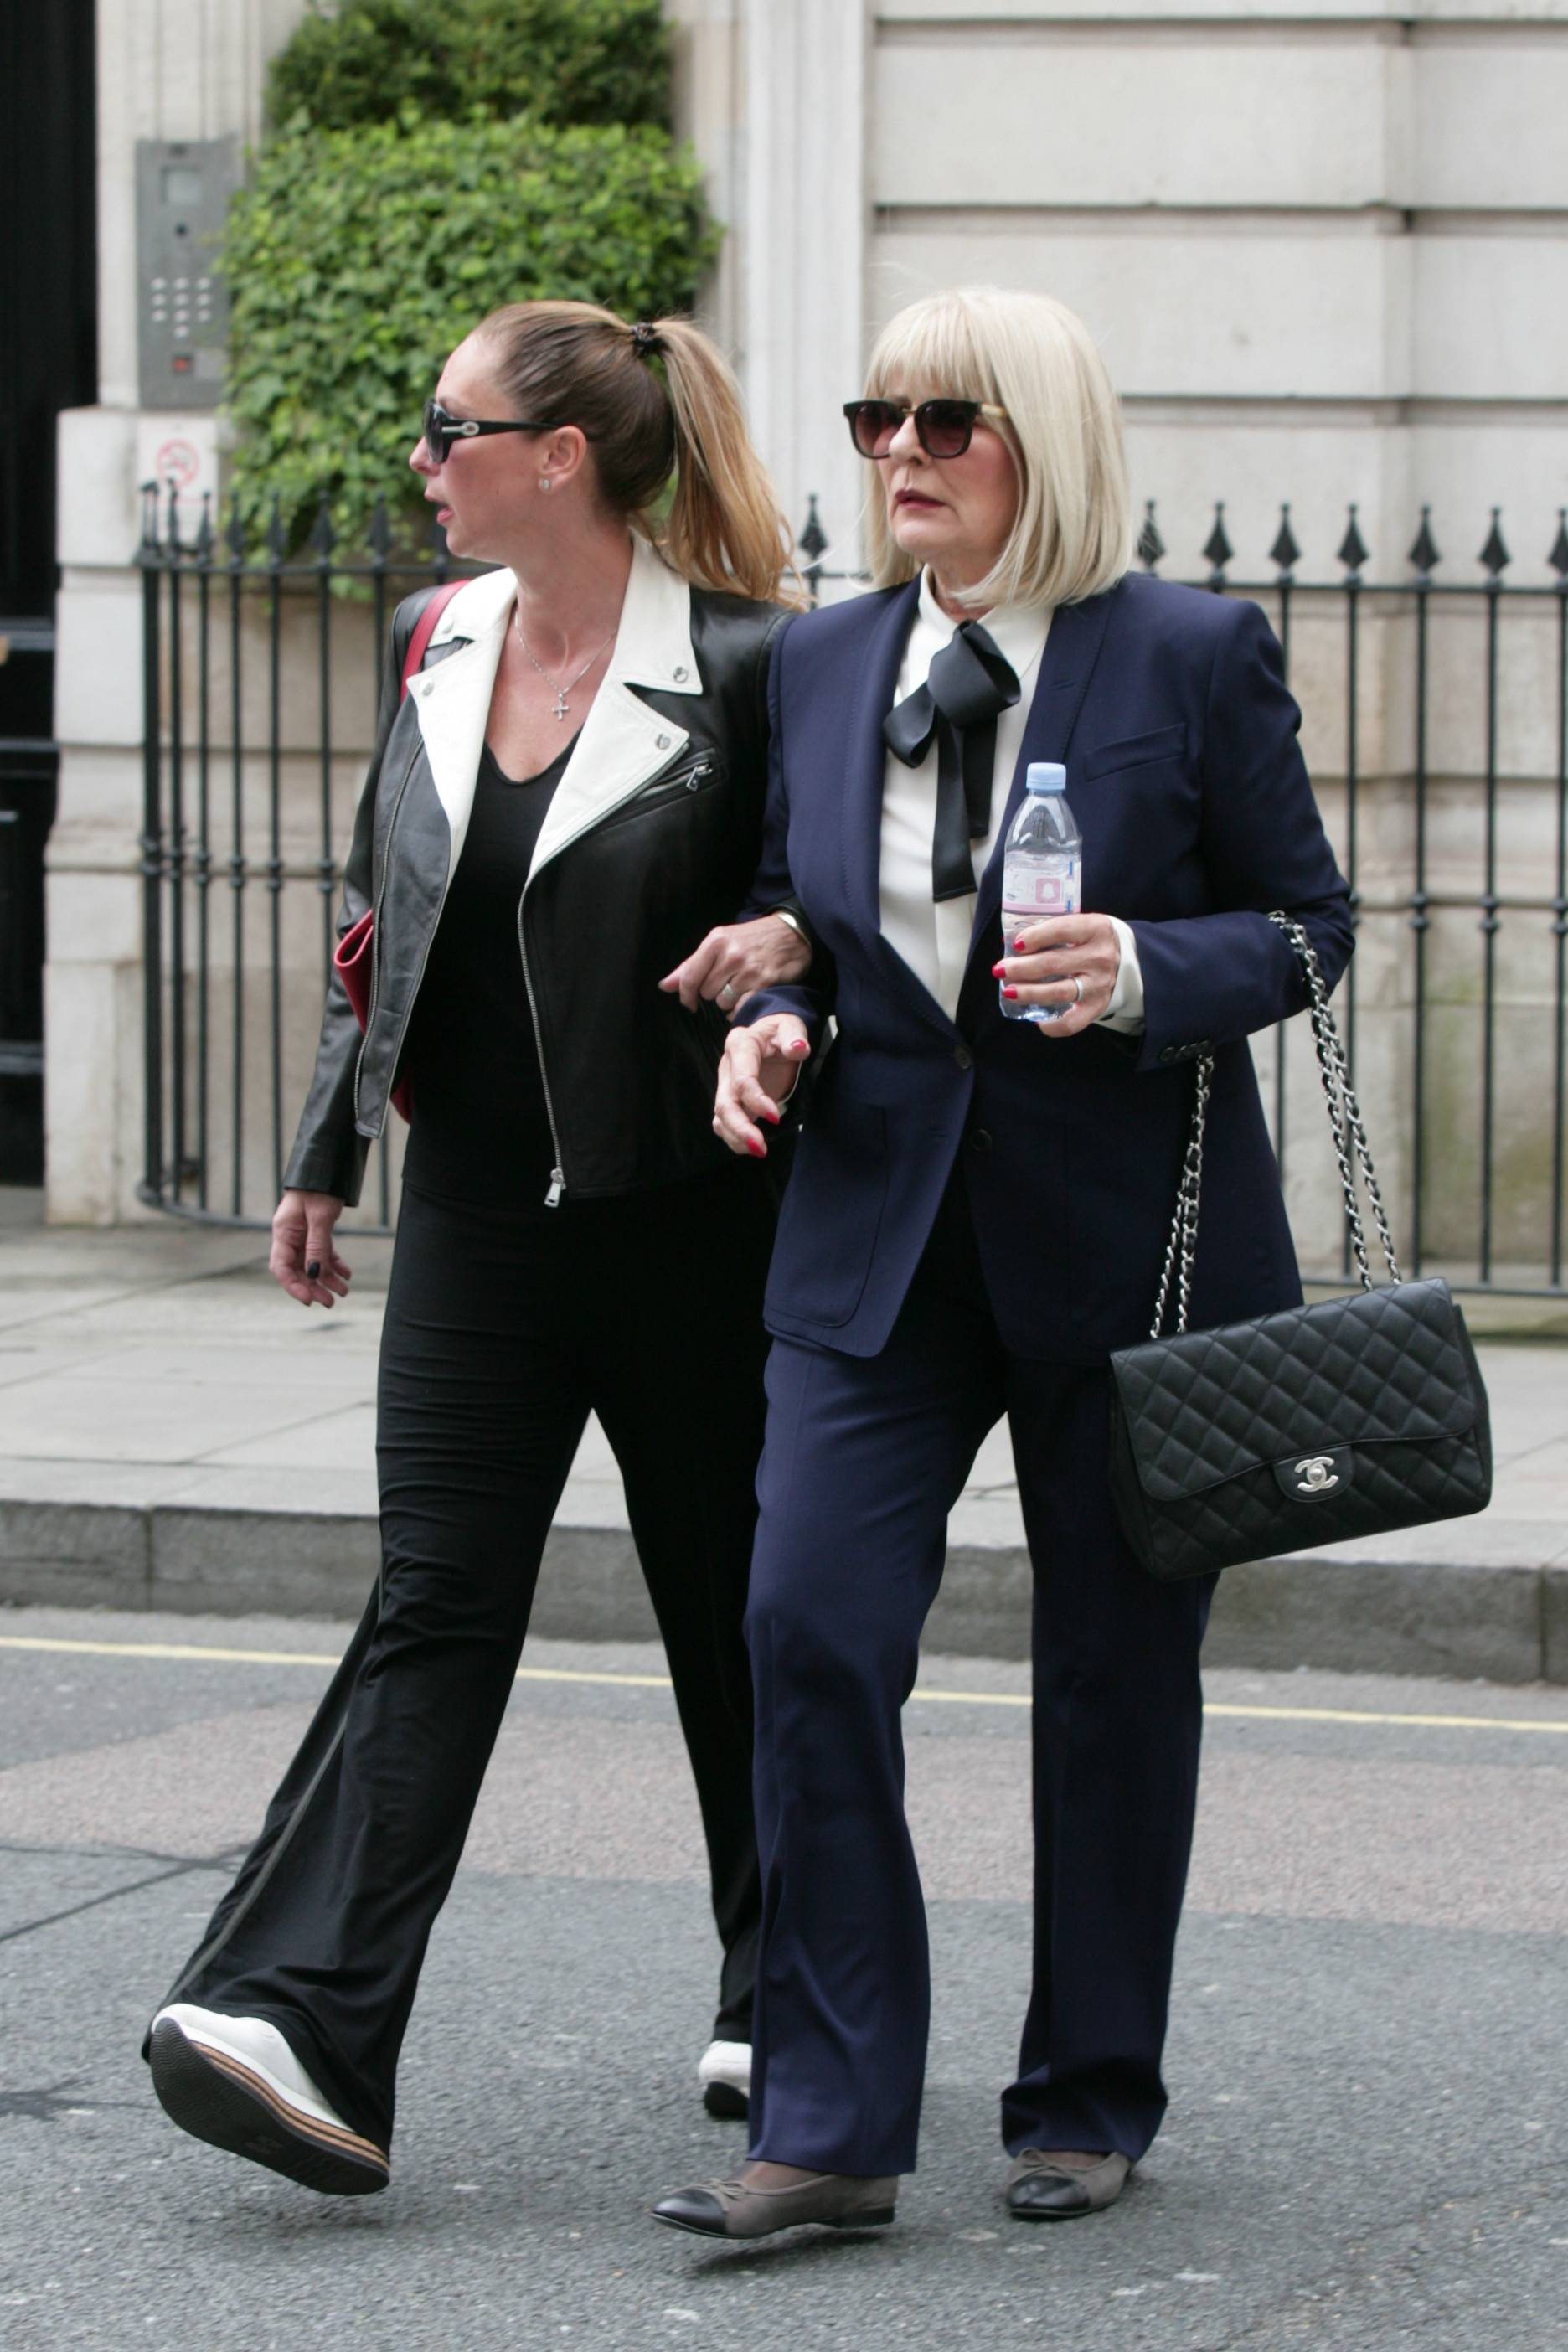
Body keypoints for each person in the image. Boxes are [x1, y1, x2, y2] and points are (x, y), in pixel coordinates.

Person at [652, 286, 1354, 2242]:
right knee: (802, 1624)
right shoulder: (822, 663)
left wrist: (1149, 969)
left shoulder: (1192, 656)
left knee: (1116, 1676)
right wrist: (774, 1002)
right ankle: (833, 2122)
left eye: (946, 423)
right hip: (873, 1227)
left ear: (1041, 441)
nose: (899, 457)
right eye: (881, 420)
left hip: (1132, 1246)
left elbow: (1310, 928)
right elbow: (816, 902)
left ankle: (1087, 2092)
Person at [144, 299, 812, 2196]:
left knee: (737, 1624)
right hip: (478, 1236)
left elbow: (810, 900)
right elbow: (389, 911)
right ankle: (311, 2027)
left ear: (562, 459)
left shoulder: (756, 670)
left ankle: (790, 1991)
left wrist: (787, 983)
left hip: (695, 1226)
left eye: (448, 429)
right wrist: (325, 1146)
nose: (421, 463)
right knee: (432, 1605)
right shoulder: (437, 642)